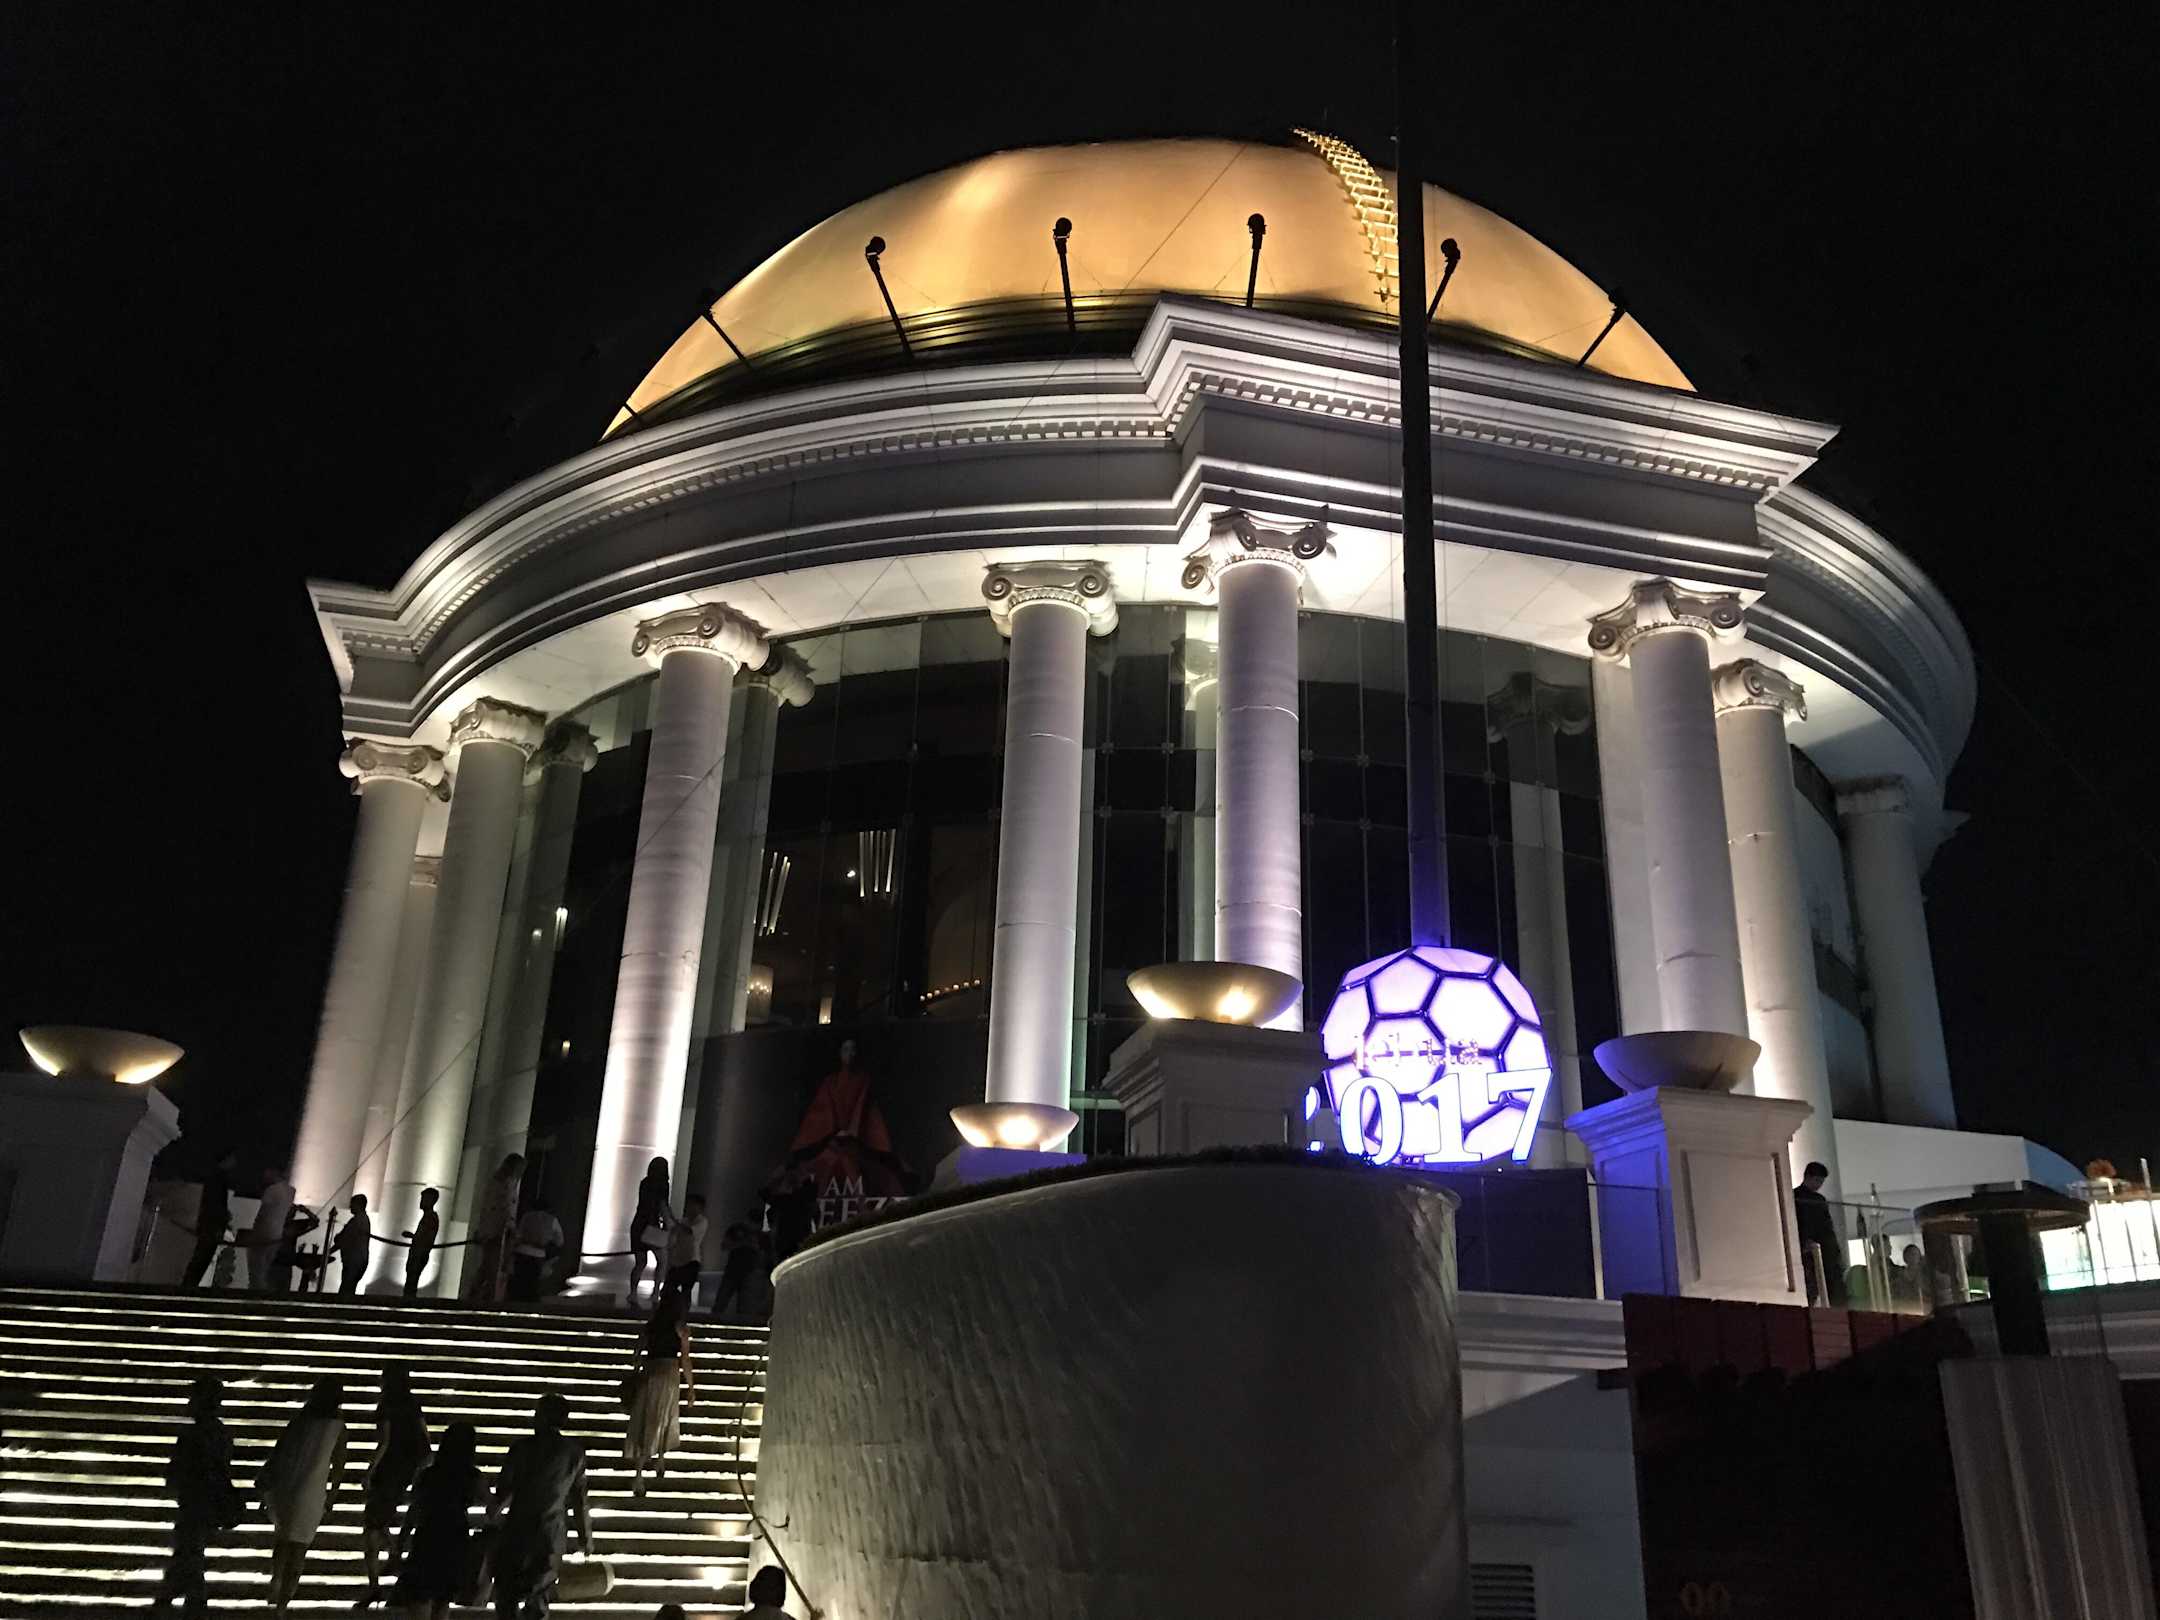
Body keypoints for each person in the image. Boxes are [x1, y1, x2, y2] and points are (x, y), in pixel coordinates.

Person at [490, 1393, 591, 1619]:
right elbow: (579, 1500)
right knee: (539, 1596)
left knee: (507, 1594)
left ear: (542, 1416)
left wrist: (493, 1513)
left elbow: (504, 1491)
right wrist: (585, 1538)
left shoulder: (521, 1448)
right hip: (551, 1534)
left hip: (517, 1531)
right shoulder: (574, 1453)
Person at [259, 1377, 349, 1612]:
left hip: (286, 1486)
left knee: (282, 1539)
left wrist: (268, 1484)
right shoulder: (338, 1427)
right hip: (312, 1491)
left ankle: (276, 1578)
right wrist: (332, 1494)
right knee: (299, 1549)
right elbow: (339, 1465)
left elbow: (280, 1451)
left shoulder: (300, 1420)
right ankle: (283, 1604)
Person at [153, 1375, 239, 1615]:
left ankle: (188, 1603)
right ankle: (176, 1601)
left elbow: (177, 1471)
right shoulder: (222, 1433)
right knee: (189, 1554)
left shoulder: (191, 1435)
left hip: (192, 1503)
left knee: (188, 1554)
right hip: (209, 1504)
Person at [356, 1366, 429, 1610]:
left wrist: (369, 1471)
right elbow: (425, 1440)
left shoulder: (386, 1406)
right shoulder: (413, 1404)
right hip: (405, 1472)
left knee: (371, 1528)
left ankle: (376, 1582)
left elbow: (384, 1442)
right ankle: (394, 1559)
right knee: (378, 1522)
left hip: (387, 1473)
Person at [394, 1419, 481, 1620]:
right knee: (443, 1600)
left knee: (420, 1597)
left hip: (428, 1536)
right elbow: (492, 1507)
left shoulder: (428, 1475)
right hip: (455, 1539)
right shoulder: (472, 1477)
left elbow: (414, 1511)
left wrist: (401, 1542)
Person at [625, 1286, 695, 1499]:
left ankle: (639, 1474)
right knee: (665, 1418)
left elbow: (636, 1355)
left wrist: (637, 1373)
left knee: (646, 1421)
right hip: (669, 1374)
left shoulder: (651, 1326)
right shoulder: (680, 1328)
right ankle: (660, 1459)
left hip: (649, 1373)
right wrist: (691, 1387)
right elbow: (685, 1359)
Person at [463, 1155, 525, 1305]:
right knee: (493, 1266)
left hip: (492, 1229)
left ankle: (476, 1294)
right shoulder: (506, 1184)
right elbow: (505, 1208)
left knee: (488, 1265)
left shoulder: (497, 1182)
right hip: (498, 1231)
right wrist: (512, 1227)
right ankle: (489, 1296)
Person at [180, 1151, 237, 1289]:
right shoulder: (218, 1178)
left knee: (201, 1258)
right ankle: (189, 1286)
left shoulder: (215, 1177)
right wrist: (219, 1223)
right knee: (202, 1258)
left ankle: (189, 1285)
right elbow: (215, 1204)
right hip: (211, 1227)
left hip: (209, 1225)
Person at [1793, 1161, 1847, 1306]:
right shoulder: (1798, 1197)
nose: (1819, 1185)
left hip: (1819, 1249)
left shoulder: (1812, 1198)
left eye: (1821, 1181)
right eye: (1817, 1180)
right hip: (1812, 1250)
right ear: (1808, 1177)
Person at [628, 1157, 672, 1308]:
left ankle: (633, 1293)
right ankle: (655, 1293)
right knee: (662, 1260)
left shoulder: (645, 1182)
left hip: (638, 1225)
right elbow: (663, 1205)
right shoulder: (663, 1185)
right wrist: (670, 1223)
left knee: (640, 1263)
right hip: (651, 1226)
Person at [509, 1195, 565, 1304]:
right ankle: (530, 1304)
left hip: (522, 1251)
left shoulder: (527, 1217)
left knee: (519, 1281)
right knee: (532, 1283)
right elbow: (560, 1241)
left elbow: (519, 1234)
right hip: (538, 1254)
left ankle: (516, 1302)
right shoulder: (552, 1220)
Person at [249, 1169, 297, 1292]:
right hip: (277, 1233)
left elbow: (263, 1213)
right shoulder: (291, 1191)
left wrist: (254, 1230)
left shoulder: (271, 1190)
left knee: (257, 1266)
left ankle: (256, 1291)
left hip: (264, 1230)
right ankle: (263, 1290)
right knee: (266, 1265)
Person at [709, 1217, 761, 1321]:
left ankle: (740, 1322)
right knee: (722, 1300)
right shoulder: (738, 1229)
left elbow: (761, 1252)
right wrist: (742, 1244)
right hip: (734, 1270)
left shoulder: (758, 1235)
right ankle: (714, 1319)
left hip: (748, 1272)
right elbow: (724, 1245)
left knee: (744, 1304)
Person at [661, 1194, 707, 1306]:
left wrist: (673, 1219)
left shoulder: (702, 1221)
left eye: (692, 1205)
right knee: (667, 1290)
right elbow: (673, 1230)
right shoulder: (684, 1220)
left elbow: (689, 1231)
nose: (689, 1207)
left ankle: (682, 1313)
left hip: (692, 1261)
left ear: (700, 1207)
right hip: (678, 1261)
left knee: (686, 1291)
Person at [404, 1187, 441, 1301]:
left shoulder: (431, 1217)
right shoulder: (428, 1217)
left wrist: (412, 1236)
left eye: (424, 1199)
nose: (421, 1201)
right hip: (417, 1253)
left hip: (419, 1254)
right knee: (411, 1281)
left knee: (411, 1282)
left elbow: (425, 1239)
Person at [334, 1194, 374, 1297]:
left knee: (346, 1289)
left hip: (354, 1260)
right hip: (359, 1260)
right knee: (349, 1288)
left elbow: (343, 1239)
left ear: (358, 1205)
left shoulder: (357, 1221)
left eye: (352, 1204)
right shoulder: (363, 1219)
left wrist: (329, 1250)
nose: (350, 1206)